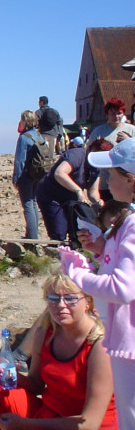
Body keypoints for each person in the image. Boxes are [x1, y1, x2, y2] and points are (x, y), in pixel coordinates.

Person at [0, 272, 118, 430]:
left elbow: (89, 423)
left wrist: (27, 425)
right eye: (53, 299)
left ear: (88, 302)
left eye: (70, 298)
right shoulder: (45, 333)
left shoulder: (100, 346)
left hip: (86, 425)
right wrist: (11, 375)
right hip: (50, 415)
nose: (60, 305)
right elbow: (37, 385)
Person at [62, 136, 135, 429]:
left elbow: (123, 289)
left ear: (131, 180)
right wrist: (102, 250)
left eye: (111, 172)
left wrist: (77, 275)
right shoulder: (128, 221)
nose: (104, 178)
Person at [35, 138, 108, 241]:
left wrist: (98, 201)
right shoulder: (77, 155)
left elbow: (93, 191)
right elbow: (59, 173)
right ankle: (56, 252)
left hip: (71, 199)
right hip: (51, 194)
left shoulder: (97, 166)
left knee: (76, 232)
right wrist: (78, 190)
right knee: (59, 232)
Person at [87, 98, 135, 202]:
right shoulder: (99, 131)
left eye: (119, 113)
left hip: (125, 181)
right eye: (113, 113)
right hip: (104, 180)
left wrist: (128, 140)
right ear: (107, 115)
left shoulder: (131, 129)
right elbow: (89, 150)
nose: (116, 116)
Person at [13, 110, 42, 240]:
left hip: (26, 175)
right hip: (38, 174)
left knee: (28, 205)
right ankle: (33, 235)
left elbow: (20, 160)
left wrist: (15, 179)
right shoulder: (39, 136)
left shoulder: (24, 137)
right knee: (33, 203)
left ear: (25, 121)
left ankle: (32, 238)